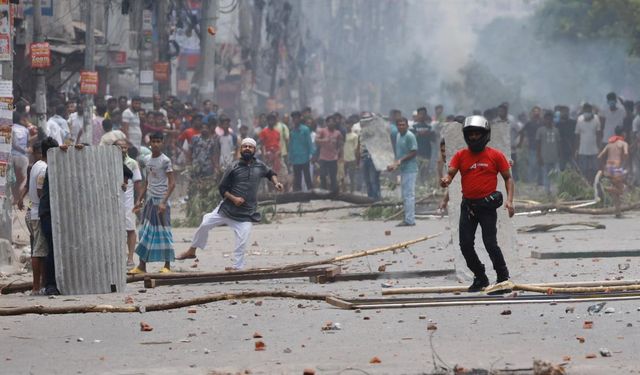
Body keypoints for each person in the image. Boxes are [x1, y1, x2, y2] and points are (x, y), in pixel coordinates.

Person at [176, 138, 284, 269]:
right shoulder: (233, 166)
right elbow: (222, 188)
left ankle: (237, 267)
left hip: (247, 212)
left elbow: (270, 173)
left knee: (242, 239)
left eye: (250, 147)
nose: (247, 149)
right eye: (245, 146)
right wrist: (234, 199)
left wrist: (276, 183)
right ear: (241, 150)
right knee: (205, 223)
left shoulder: (260, 166)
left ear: (255, 150)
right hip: (227, 209)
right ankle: (191, 251)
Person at [440, 115, 515, 292]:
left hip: (487, 207)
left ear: (485, 135)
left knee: (490, 243)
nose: (474, 137)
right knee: (465, 245)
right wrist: (446, 179)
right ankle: (480, 277)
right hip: (468, 207)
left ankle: (503, 278)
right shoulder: (460, 156)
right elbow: (450, 174)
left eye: (477, 133)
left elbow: (508, 178)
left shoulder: (496, 155)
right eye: (470, 134)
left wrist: (510, 201)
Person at [129, 132, 176, 274]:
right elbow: (146, 182)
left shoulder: (165, 161)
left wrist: (164, 202)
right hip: (149, 201)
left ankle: (167, 265)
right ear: (150, 143)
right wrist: (139, 200)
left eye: (158, 141)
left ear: (162, 143)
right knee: (145, 232)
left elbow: (172, 183)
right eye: (153, 141)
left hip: (161, 202)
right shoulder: (147, 160)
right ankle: (142, 266)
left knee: (164, 232)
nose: (156, 144)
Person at [115, 139, 143, 267]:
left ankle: (130, 258)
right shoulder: (109, 162)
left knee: (130, 229)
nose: (123, 150)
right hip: (113, 201)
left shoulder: (132, 163)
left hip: (128, 201)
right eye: (120, 147)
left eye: (124, 147)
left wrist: (139, 200)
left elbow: (137, 184)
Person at [387, 117, 418, 226]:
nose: (401, 126)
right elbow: (399, 154)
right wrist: (394, 164)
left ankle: (410, 220)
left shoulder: (410, 136)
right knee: (405, 195)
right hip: (403, 169)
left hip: (410, 169)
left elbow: (413, 152)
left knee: (409, 195)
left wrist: (399, 161)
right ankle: (408, 218)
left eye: (403, 124)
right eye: (399, 125)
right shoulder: (398, 136)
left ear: (407, 126)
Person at [26, 140, 48, 295]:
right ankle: (36, 287)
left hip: (32, 212)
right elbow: (41, 192)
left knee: (38, 250)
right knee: (38, 252)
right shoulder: (43, 168)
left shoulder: (35, 165)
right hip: (38, 214)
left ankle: (39, 285)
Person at [598, 126, 629, 218]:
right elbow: (626, 153)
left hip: (608, 168)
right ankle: (605, 188)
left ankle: (618, 212)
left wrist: (603, 166)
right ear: (623, 133)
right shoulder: (623, 143)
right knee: (621, 190)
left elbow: (600, 156)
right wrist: (623, 163)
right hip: (616, 168)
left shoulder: (609, 144)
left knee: (616, 192)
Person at [575, 103, 602, 183]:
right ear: (583, 111)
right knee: (583, 170)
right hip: (583, 150)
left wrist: (599, 147)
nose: (587, 112)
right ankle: (585, 185)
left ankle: (595, 184)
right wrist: (576, 149)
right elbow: (577, 135)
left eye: (589, 110)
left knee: (595, 169)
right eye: (585, 110)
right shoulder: (579, 119)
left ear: (591, 111)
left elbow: (599, 134)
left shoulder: (596, 118)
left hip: (594, 149)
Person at [316, 115, 343, 192]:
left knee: (333, 176)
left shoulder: (338, 133)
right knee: (323, 175)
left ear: (335, 123)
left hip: (333, 158)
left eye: (333, 122)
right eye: (329, 122)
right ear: (326, 123)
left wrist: (340, 154)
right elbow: (316, 140)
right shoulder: (322, 131)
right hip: (323, 157)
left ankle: (334, 192)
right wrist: (325, 140)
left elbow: (340, 144)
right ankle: (323, 191)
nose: (331, 124)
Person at [536, 111, 561, 194]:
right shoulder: (540, 130)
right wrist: (539, 156)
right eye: (547, 119)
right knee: (546, 175)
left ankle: (556, 190)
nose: (549, 120)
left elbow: (558, 143)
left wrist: (559, 154)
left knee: (556, 174)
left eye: (550, 119)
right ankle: (547, 191)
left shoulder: (556, 130)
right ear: (544, 120)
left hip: (554, 156)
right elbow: (538, 144)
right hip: (544, 156)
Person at [288, 111, 314, 191]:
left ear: (300, 119)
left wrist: (311, 154)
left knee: (307, 177)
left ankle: (311, 193)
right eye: (294, 118)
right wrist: (290, 158)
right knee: (297, 178)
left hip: (305, 157)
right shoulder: (292, 132)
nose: (295, 120)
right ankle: (299, 195)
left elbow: (309, 143)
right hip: (296, 159)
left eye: (297, 118)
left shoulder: (305, 130)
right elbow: (291, 146)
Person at [11, 112, 30, 205]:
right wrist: (24, 150)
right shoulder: (25, 130)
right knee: (23, 179)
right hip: (23, 157)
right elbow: (27, 142)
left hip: (12, 156)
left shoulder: (10, 128)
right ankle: (20, 198)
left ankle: (15, 198)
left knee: (13, 178)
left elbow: (13, 143)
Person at [411, 107, 433, 184]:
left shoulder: (429, 127)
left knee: (425, 171)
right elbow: (411, 139)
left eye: (424, 114)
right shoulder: (413, 127)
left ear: (426, 115)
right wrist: (419, 134)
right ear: (418, 115)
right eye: (420, 114)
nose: (422, 116)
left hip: (427, 152)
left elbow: (433, 139)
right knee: (417, 172)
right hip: (417, 153)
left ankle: (424, 186)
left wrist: (428, 134)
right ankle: (417, 187)